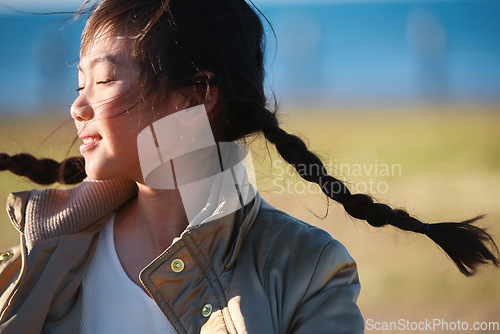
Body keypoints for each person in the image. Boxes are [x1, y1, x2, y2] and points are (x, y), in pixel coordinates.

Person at [0, 0, 498, 333]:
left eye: (103, 82)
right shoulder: (41, 253)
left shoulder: (307, 271)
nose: (77, 108)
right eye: (77, 84)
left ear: (195, 98)